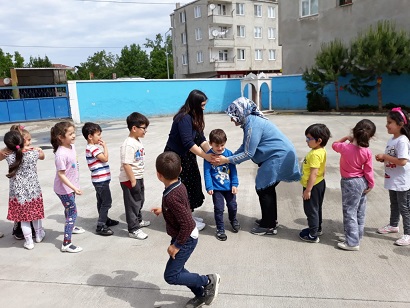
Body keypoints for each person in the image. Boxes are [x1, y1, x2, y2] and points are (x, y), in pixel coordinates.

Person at [219, 97, 301, 235]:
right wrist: (230, 157)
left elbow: (248, 153)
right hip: (278, 155)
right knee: (267, 189)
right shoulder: (250, 122)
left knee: (263, 189)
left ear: (241, 113)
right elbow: (245, 146)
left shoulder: (252, 125)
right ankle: (270, 220)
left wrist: (226, 160)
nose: (232, 120)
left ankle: (268, 225)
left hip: (278, 157)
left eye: (233, 116)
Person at [151, 152, 220, 308]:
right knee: (179, 270)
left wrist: (176, 246)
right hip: (182, 235)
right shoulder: (178, 185)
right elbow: (182, 207)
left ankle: (208, 280)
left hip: (185, 238)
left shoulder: (171, 196)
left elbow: (188, 224)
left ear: (158, 175)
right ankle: (201, 294)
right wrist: (164, 209)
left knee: (171, 275)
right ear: (180, 169)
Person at [164, 90, 218, 231]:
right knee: (181, 189)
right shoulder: (183, 118)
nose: (204, 108)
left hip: (187, 156)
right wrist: (206, 156)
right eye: (202, 105)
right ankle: (184, 221)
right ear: (194, 104)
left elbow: (200, 138)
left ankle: (189, 215)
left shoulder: (195, 116)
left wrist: (212, 153)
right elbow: (188, 142)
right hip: (176, 157)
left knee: (192, 184)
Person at [333, 119, 376, 251]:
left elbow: (334, 144)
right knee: (360, 211)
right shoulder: (367, 151)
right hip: (362, 181)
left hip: (349, 183)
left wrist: (346, 138)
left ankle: (352, 242)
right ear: (370, 136)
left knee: (349, 211)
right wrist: (370, 184)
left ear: (354, 132)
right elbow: (368, 170)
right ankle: (356, 235)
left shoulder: (345, 147)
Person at [1, 130, 45, 250]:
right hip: (34, 192)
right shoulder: (32, 153)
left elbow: (0, 155)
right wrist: (36, 149)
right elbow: (42, 156)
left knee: (24, 219)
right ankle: (39, 235)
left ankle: (29, 241)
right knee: (36, 215)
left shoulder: (9, 156)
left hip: (18, 195)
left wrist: (7, 149)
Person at [375, 107, 410, 246]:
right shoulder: (392, 139)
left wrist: (385, 156)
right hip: (393, 178)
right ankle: (393, 225)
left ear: (400, 124)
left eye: (390, 122)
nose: (386, 125)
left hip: (402, 180)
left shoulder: (402, 140)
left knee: (404, 206)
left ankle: (408, 233)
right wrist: (384, 159)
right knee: (394, 203)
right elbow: (394, 157)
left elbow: (402, 161)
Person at [51, 121, 85, 253]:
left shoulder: (71, 147)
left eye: (73, 133)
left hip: (71, 187)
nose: (73, 136)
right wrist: (74, 188)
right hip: (64, 189)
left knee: (69, 209)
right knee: (72, 212)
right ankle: (66, 243)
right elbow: (61, 174)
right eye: (70, 134)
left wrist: (74, 186)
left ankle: (71, 227)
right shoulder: (60, 154)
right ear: (60, 137)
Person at [82, 122, 119, 236]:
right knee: (107, 202)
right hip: (100, 181)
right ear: (90, 136)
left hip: (99, 180)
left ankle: (104, 218)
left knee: (101, 201)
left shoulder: (91, 148)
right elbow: (105, 158)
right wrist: (105, 146)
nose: (100, 137)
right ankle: (101, 225)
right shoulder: (93, 148)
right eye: (98, 134)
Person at [203, 129, 240, 241]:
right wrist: (209, 187)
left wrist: (234, 184)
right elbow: (207, 172)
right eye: (217, 146)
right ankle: (220, 228)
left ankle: (233, 219)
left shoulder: (229, 154)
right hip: (217, 189)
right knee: (219, 208)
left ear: (225, 142)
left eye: (222, 145)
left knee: (232, 206)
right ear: (210, 144)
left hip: (229, 188)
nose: (219, 148)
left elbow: (233, 170)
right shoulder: (208, 156)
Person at [119, 112, 151, 240]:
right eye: (143, 128)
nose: (145, 131)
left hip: (138, 177)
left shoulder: (136, 141)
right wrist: (132, 180)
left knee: (140, 200)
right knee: (132, 204)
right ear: (134, 128)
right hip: (130, 179)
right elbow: (126, 164)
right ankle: (133, 229)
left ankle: (138, 220)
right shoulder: (128, 144)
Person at [299, 124, 331, 243]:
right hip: (319, 183)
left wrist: (308, 190)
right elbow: (323, 167)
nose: (307, 141)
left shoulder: (314, 154)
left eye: (309, 138)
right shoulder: (321, 150)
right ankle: (317, 228)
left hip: (312, 186)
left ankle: (312, 235)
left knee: (311, 210)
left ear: (319, 141)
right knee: (317, 208)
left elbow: (313, 173)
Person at [8, 124, 37, 240]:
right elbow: (42, 156)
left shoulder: (28, 152)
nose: (30, 142)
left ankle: (27, 229)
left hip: (24, 187)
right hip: (24, 188)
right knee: (22, 208)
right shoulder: (11, 154)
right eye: (28, 140)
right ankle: (20, 229)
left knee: (24, 208)